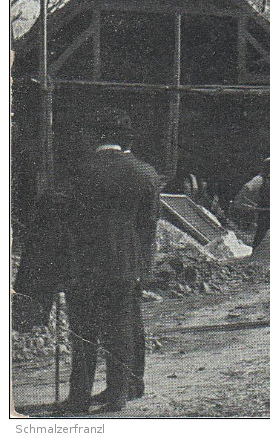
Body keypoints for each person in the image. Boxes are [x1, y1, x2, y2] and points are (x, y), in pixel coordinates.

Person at [64, 108, 163, 414]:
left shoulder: (77, 171)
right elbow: (148, 228)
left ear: (96, 136)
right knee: (120, 330)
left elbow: (62, 222)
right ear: (124, 139)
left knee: (83, 331)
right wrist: (142, 266)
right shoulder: (145, 173)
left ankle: (78, 398)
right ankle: (117, 396)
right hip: (124, 265)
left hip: (82, 264)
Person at [230, 157, 270, 248]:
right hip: (264, 209)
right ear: (267, 166)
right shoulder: (259, 178)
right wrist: (239, 199)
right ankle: (255, 250)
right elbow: (246, 188)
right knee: (262, 230)